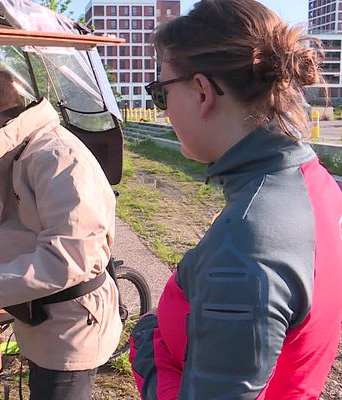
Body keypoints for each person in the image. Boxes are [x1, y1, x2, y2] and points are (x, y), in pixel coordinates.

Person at [129, 0, 342, 399]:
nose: (164, 109)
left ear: (202, 92)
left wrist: (146, 347)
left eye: (161, 93)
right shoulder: (311, 180)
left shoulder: (250, 239)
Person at [0, 65, 122, 400]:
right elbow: (27, 231)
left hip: (71, 329)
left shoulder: (56, 157)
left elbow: (69, 257)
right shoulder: (21, 151)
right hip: (47, 324)